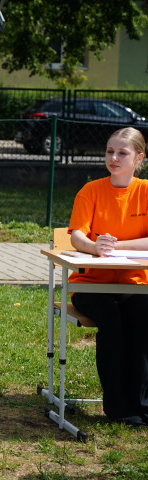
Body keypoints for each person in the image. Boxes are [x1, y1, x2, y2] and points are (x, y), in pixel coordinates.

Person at [67, 127, 148, 427]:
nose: (113, 158)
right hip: (91, 286)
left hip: (134, 284)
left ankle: (142, 405)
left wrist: (115, 246)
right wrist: (93, 246)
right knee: (112, 324)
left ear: (139, 158)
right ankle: (118, 408)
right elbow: (76, 236)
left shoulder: (145, 191)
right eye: (109, 151)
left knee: (142, 322)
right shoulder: (91, 191)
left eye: (122, 153)